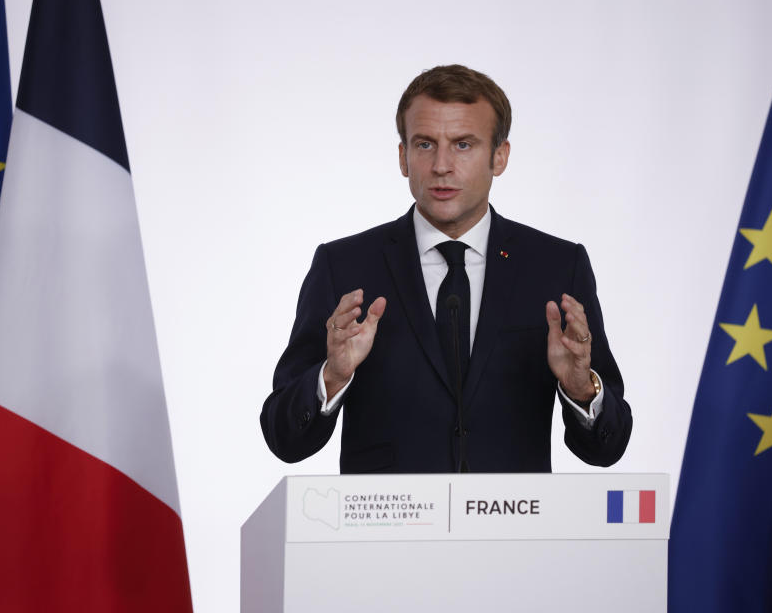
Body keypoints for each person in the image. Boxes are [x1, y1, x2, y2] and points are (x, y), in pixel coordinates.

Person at [261, 64, 631, 473]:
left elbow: (607, 448)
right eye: (424, 145)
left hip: (512, 530)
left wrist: (581, 388)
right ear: (403, 157)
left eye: (463, 145)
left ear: (500, 156)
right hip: (384, 532)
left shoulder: (557, 267)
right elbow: (284, 438)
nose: (441, 165)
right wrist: (332, 376)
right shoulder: (345, 266)